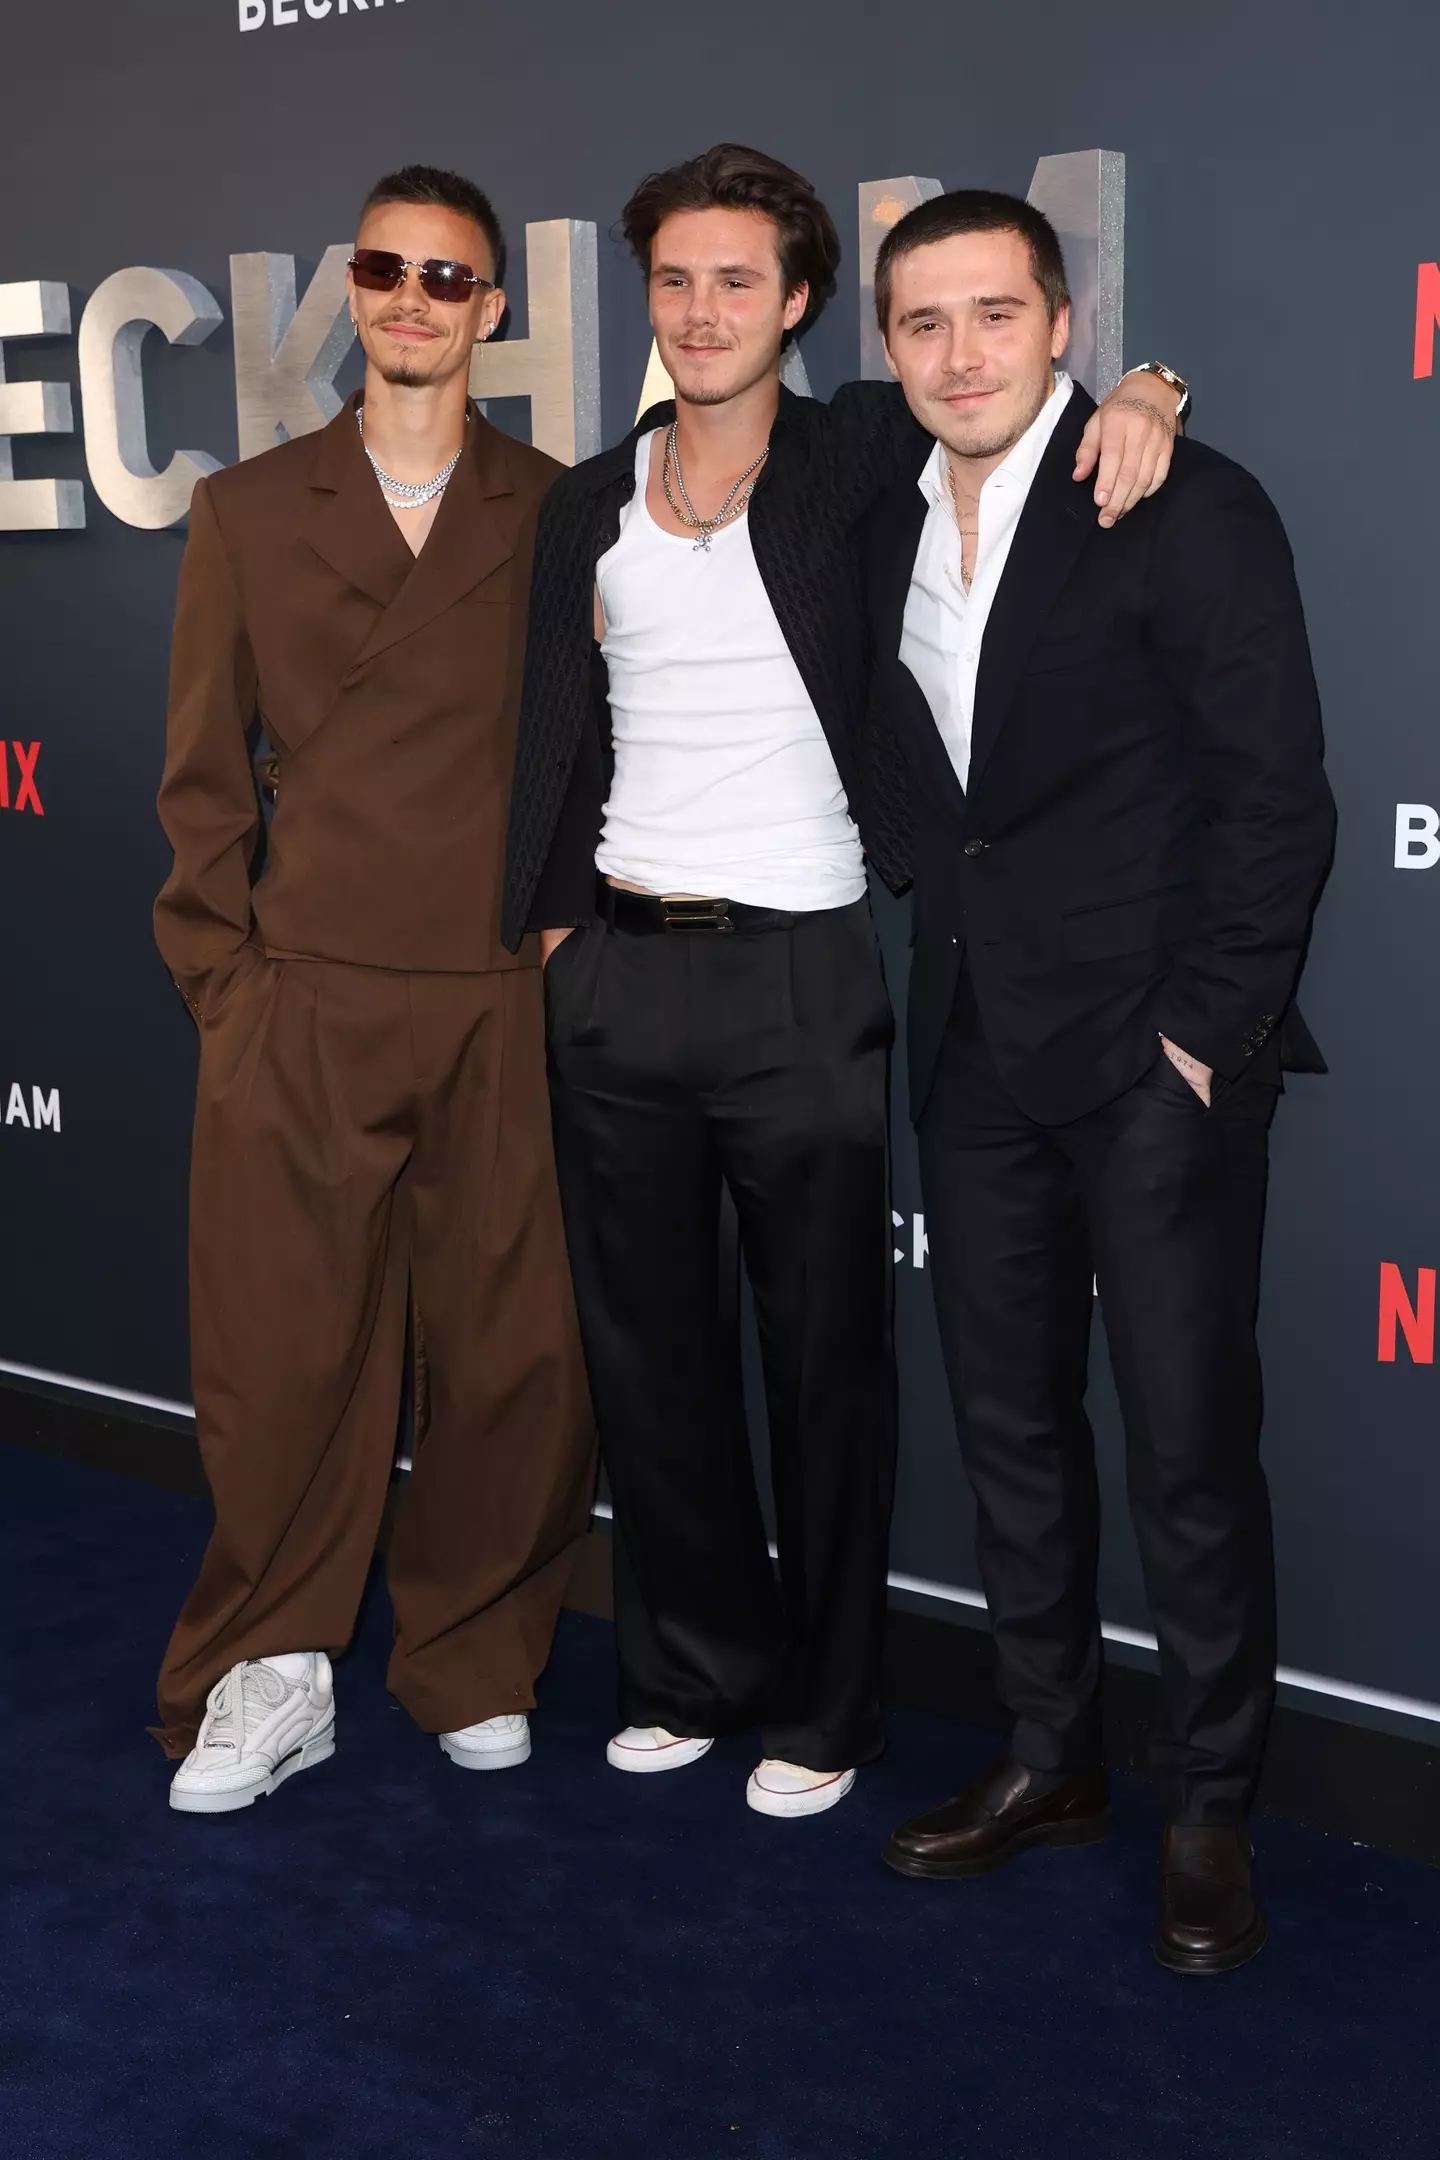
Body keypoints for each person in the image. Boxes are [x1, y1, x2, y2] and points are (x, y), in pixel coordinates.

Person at [501, 144, 1182, 1819]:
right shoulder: (586, 500)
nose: (704, 310)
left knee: (824, 1366)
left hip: (801, 969)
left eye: (741, 279)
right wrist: (555, 929)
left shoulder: (860, 451)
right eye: (675, 279)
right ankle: (684, 1671)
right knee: (650, 1358)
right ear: (645, 300)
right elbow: (555, 735)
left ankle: (828, 1708)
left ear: (802, 304)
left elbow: (1020, 391)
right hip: (616, 974)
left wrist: (1157, 381)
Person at [860, 190, 1334, 1966]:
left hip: (1155, 1065)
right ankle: (1051, 1758)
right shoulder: (872, 509)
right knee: (1013, 1440)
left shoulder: (1180, 502)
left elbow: (1278, 800)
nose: (961, 355)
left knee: (1191, 1454)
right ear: (887, 346)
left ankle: (1210, 1809)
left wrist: (1202, 1038)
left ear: (1062, 325)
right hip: (978, 1049)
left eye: (997, 316)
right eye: (925, 324)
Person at [152, 164, 593, 1813]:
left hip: (493, 995)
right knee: (284, 1357)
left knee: (511, 1353)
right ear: (353, 290)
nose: (413, 299)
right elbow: (202, 784)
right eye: (385, 270)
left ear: (493, 307)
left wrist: (557, 938)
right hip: (306, 1002)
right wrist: (229, 986)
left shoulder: (558, 509)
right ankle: (271, 1669)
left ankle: (473, 1650)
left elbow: (591, 754)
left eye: (448, 277)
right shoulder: (251, 510)